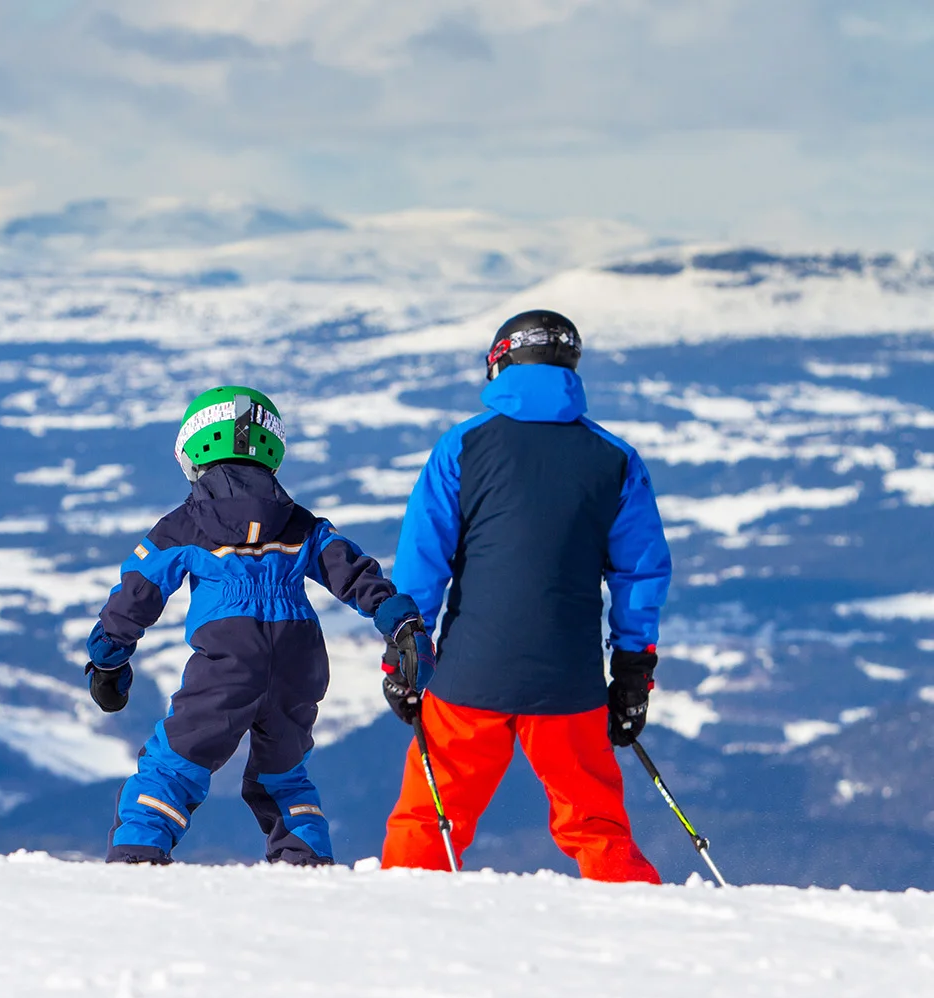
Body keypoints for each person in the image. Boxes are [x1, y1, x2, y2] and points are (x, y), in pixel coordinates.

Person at [381, 310, 671, 883]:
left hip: (467, 677)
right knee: (596, 827)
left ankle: (398, 937)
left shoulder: (461, 447)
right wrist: (634, 672)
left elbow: (422, 564)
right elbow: (640, 574)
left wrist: (404, 656)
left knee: (429, 822)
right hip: (569, 681)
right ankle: (645, 939)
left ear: (500, 362)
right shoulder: (614, 459)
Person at [84, 385, 428, 865]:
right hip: (299, 661)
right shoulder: (301, 523)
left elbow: (137, 592)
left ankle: (138, 855)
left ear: (195, 450)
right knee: (283, 775)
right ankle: (306, 862)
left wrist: (108, 658)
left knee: (176, 764)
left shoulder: (185, 524)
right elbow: (353, 572)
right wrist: (400, 622)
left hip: (227, 660)